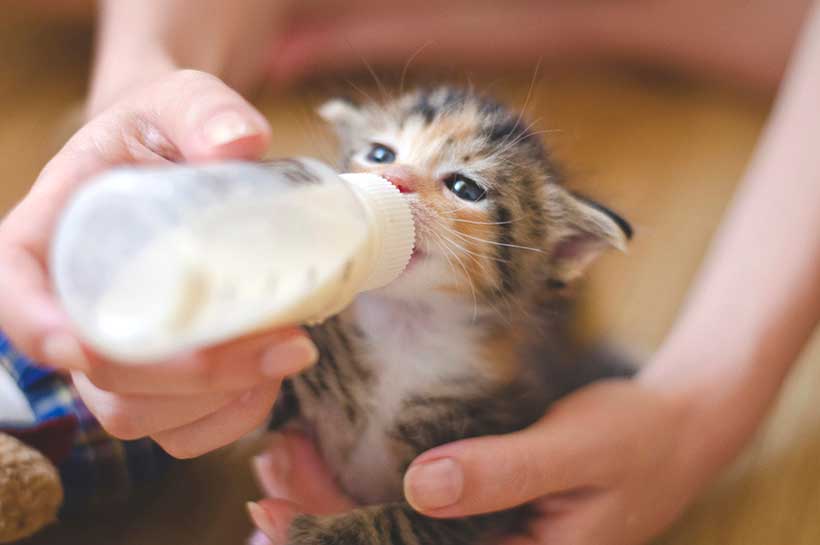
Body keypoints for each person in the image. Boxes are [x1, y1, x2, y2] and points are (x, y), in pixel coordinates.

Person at [0, 1, 818, 544]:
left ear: (553, 256)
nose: (395, 184)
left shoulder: (495, 386)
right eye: (382, 154)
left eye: (462, 187)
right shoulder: (316, 304)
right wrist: (141, 87)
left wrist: (702, 402)